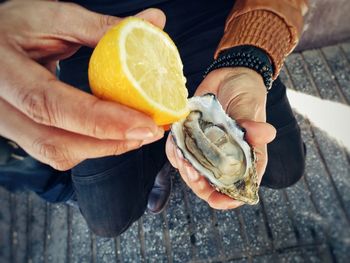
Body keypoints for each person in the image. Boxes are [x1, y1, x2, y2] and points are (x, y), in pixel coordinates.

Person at [0, 0, 307, 237]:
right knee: (108, 221)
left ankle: (160, 144)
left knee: (285, 169)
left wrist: (250, 58)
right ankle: (155, 153)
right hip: (92, 47)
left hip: (221, 28)